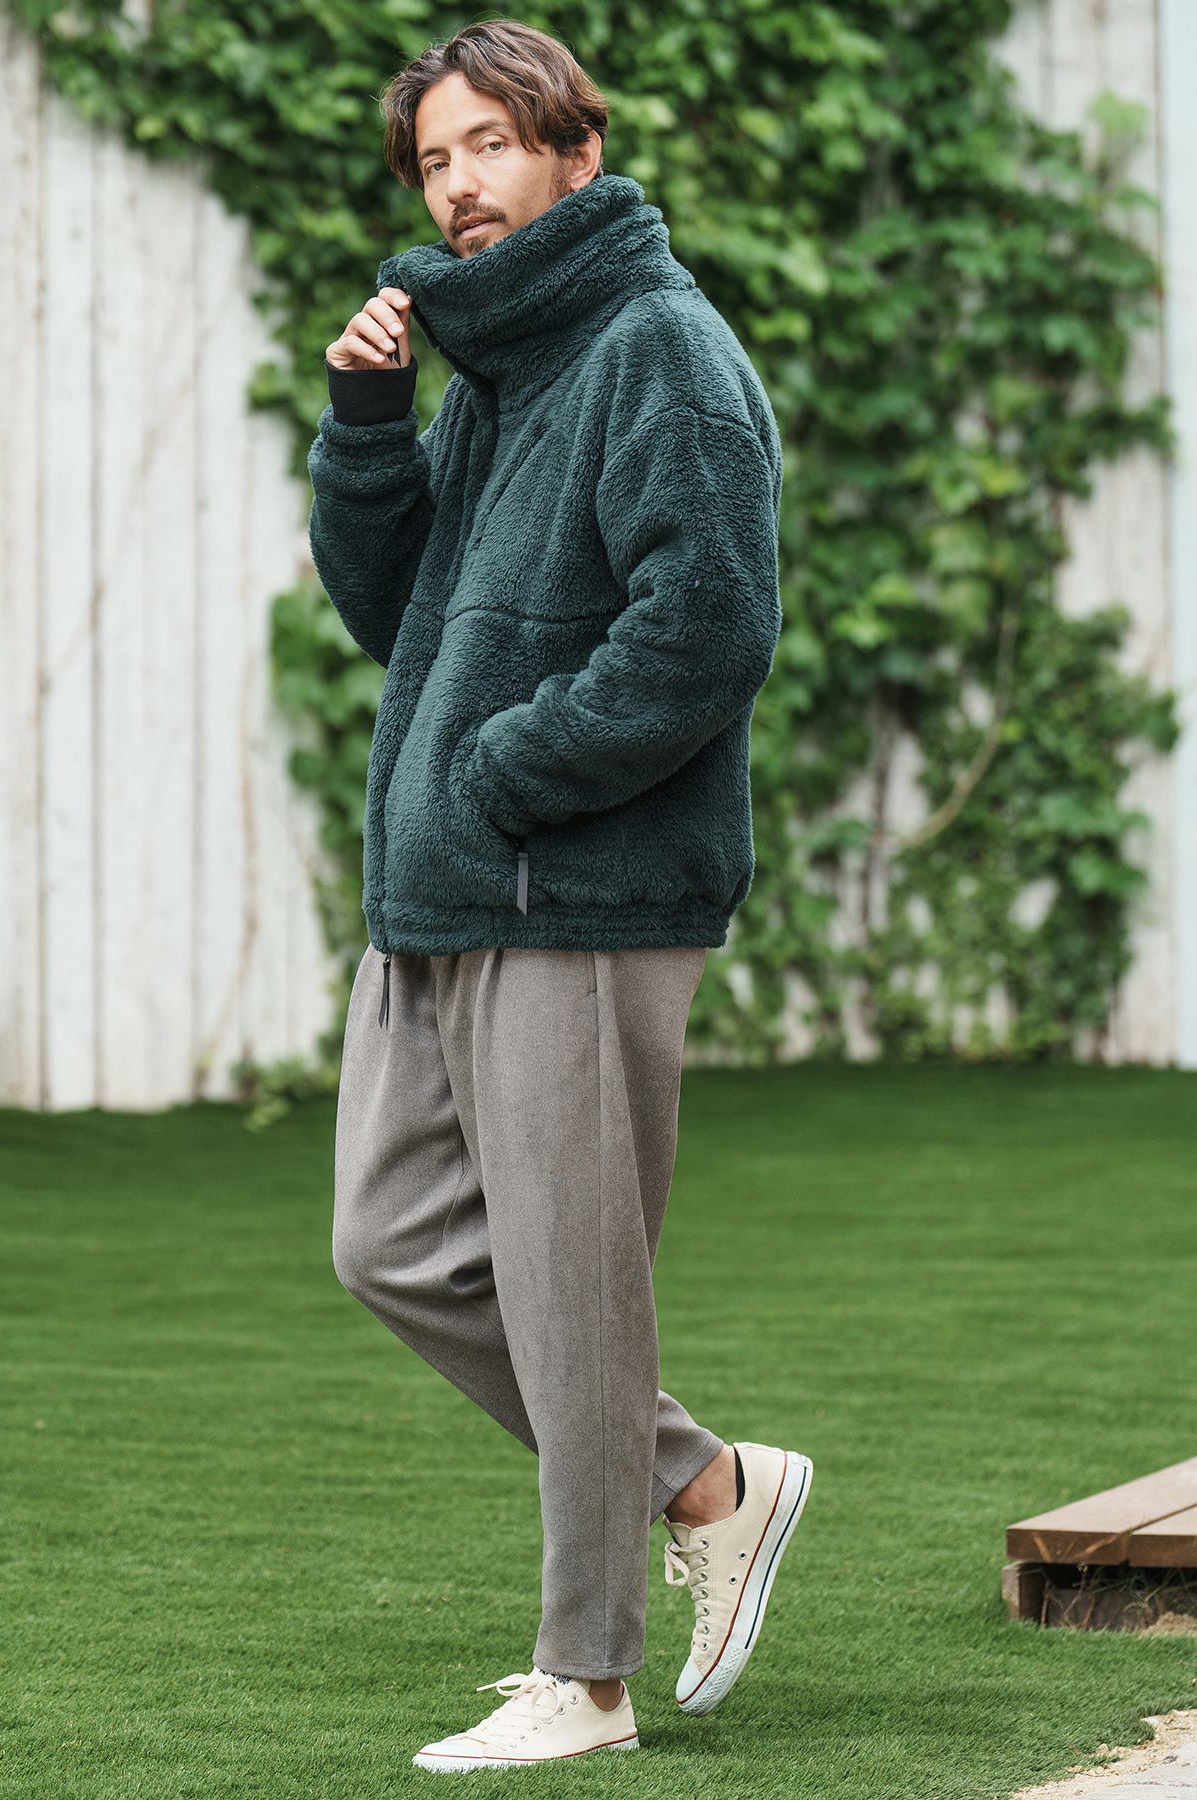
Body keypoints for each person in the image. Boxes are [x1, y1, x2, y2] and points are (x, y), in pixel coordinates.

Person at [306, 17, 812, 1772]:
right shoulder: (496, 369)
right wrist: (367, 424)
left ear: (575, 155)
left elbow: (710, 627)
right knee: (390, 1244)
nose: (456, 185)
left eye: (490, 146)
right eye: (434, 158)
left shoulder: (658, 347)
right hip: (449, 892)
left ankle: (585, 1682)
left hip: (581, 892)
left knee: (571, 1291)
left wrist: (512, 770)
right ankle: (704, 1483)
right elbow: (398, 621)